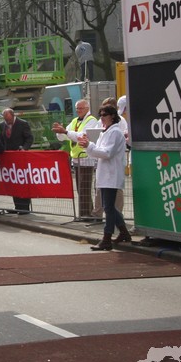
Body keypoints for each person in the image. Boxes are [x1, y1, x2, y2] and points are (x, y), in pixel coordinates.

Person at [77, 104, 131, 250]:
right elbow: (98, 152)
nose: (101, 118)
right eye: (100, 115)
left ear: (112, 116)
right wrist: (88, 146)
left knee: (108, 207)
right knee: (109, 206)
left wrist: (90, 146)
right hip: (105, 174)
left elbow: (107, 153)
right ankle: (124, 233)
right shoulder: (105, 132)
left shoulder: (115, 133)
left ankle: (107, 237)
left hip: (111, 174)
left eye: (104, 115)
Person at [53, 99, 97, 219]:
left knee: (84, 188)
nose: (78, 110)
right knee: (80, 188)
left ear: (87, 108)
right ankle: (86, 213)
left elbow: (82, 136)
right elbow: (64, 137)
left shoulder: (92, 120)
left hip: (86, 158)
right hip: (76, 158)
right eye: (77, 108)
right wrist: (59, 131)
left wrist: (65, 131)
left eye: (81, 108)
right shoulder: (74, 121)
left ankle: (86, 214)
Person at [0, 108, 34, 213]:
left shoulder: (23, 124)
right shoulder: (2, 125)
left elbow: (29, 138)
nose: (7, 121)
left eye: (8, 119)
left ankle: (24, 207)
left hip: (20, 157)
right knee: (13, 181)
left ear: (13, 116)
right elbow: (1, 140)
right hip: (9, 158)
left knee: (22, 181)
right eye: (5, 119)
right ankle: (17, 206)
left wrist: (24, 148)